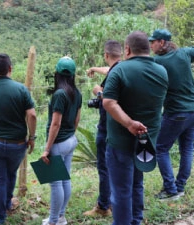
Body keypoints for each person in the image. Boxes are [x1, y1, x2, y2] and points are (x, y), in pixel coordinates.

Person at [103, 31, 168, 225]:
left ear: (128, 49)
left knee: (121, 191)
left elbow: (108, 102)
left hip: (121, 141)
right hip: (147, 142)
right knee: (137, 184)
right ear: (148, 49)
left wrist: (129, 123)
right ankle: (136, 221)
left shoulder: (120, 70)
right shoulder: (162, 71)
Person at [0, 53, 37, 225]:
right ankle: (7, 204)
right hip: (17, 144)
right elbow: (32, 115)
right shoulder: (21, 90)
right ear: (10, 68)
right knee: (11, 173)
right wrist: (32, 137)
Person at [148, 29, 194, 201]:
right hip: (192, 110)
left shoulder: (157, 61)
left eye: (153, 42)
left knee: (160, 148)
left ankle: (171, 190)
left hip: (176, 112)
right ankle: (180, 186)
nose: (151, 45)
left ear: (161, 42)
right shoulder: (185, 53)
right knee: (187, 149)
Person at [40, 56, 82, 225]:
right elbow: (77, 119)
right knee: (65, 180)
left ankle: (52, 221)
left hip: (58, 143)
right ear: (73, 75)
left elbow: (55, 123)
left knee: (55, 184)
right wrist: (71, 133)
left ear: (56, 73)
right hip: (70, 140)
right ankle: (61, 217)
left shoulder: (59, 94)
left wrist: (47, 149)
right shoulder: (77, 93)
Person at [83, 40, 122, 217]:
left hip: (107, 126)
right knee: (118, 166)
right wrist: (94, 68)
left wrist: (98, 91)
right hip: (121, 126)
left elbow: (107, 99)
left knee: (104, 167)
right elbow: (109, 70)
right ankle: (115, 202)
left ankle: (103, 206)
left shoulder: (114, 72)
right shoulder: (123, 68)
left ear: (106, 55)